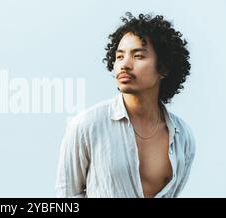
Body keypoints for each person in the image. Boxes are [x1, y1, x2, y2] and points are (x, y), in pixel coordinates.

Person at [55, 12, 196, 198]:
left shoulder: (183, 137)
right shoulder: (87, 125)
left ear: (164, 68)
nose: (125, 65)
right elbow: (66, 195)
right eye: (120, 57)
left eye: (138, 56)